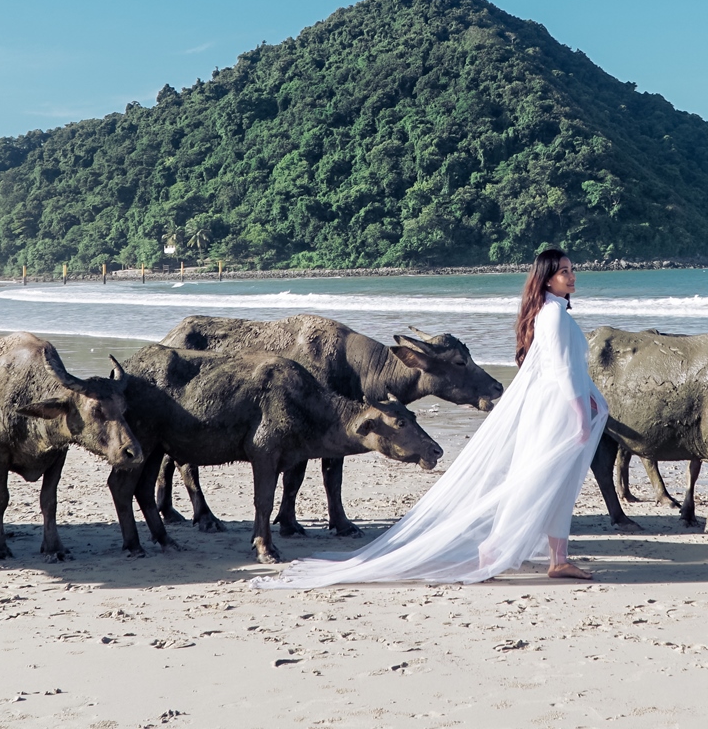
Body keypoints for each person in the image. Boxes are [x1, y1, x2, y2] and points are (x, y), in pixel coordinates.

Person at [257, 247, 608, 587]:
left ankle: (558, 559)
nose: (572, 276)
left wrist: (593, 400)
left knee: (555, 483)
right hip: (557, 410)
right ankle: (493, 549)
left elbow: (570, 368)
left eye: (571, 270)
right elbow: (561, 370)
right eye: (564, 271)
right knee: (537, 482)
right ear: (546, 279)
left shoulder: (554, 312)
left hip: (558, 406)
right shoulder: (554, 315)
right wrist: (581, 413)